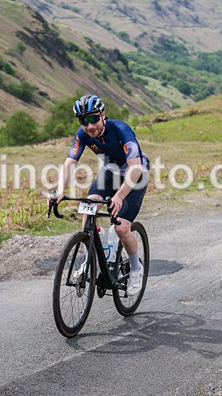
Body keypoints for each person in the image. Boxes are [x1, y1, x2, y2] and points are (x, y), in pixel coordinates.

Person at [52, 95, 149, 297]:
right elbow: (70, 162)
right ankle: (93, 259)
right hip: (111, 172)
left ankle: (136, 268)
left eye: (93, 118)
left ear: (103, 115)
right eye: (83, 121)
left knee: (122, 227)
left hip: (135, 174)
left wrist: (120, 196)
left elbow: (136, 168)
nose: (89, 126)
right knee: (88, 212)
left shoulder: (121, 129)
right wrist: (60, 191)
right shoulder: (83, 134)